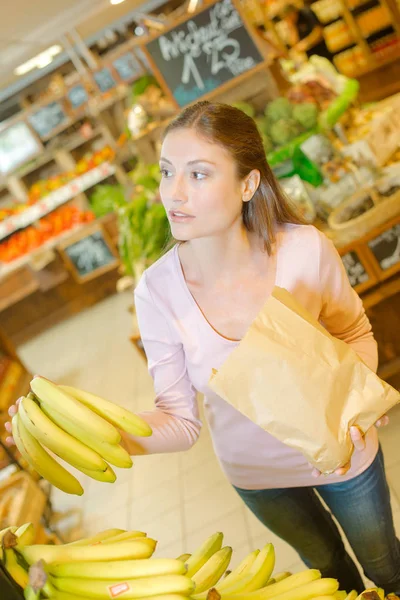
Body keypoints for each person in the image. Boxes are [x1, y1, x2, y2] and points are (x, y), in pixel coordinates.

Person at [6, 102, 399, 593]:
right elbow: (179, 419)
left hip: (346, 456)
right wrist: (84, 436)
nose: (174, 193)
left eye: (198, 174)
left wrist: (359, 402)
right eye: (167, 172)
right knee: (327, 575)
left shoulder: (304, 249)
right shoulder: (157, 291)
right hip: (259, 477)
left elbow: (355, 332)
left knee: (387, 569)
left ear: (248, 185)